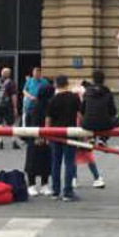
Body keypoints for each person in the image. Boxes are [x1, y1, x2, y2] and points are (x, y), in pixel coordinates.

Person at [45, 74, 81, 202]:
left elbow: (48, 120)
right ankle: (68, 192)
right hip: (70, 133)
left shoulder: (52, 100)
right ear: (67, 84)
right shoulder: (74, 98)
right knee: (70, 162)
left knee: (55, 163)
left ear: (56, 85)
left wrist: (47, 134)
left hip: (55, 134)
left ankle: (55, 191)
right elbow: (80, 116)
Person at [79, 69, 117, 189]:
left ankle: (91, 138)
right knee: (116, 120)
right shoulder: (107, 92)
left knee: (90, 120)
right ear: (103, 80)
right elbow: (113, 111)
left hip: (87, 124)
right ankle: (103, 140)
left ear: (93, 79)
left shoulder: (87, 92)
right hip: (104, 124)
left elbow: (82, 110)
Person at [24, 76, 54, 196]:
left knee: (45, 160)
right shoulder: (37, 106)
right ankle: (31, 185)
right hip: (36, 136)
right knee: (33, 160)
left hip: (46, 136)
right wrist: (37, 136)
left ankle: (44, 184)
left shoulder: (47, 104)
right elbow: (31, 121)